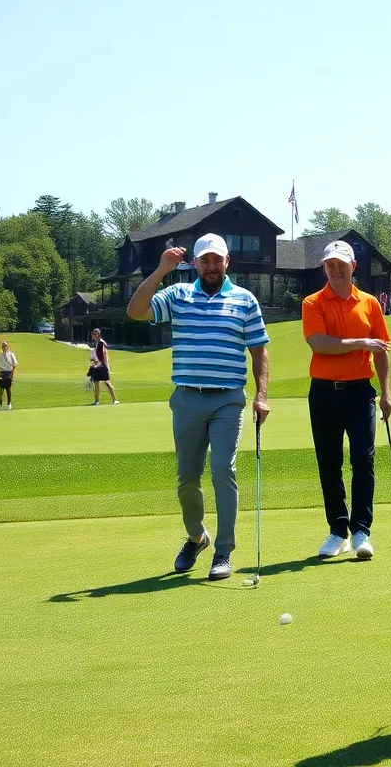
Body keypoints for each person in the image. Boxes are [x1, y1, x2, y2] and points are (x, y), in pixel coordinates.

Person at [126, 233, 270, 581]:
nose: (210, 266)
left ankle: (223, 551)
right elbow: (135, 311)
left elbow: (259, 350)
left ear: (226, 262)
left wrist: (262, 394)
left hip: (227, 399)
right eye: (204, 260)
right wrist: (161, 269)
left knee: (224, 470)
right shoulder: (178, 295)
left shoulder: (244, 300)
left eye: (216, 259)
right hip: (188, 398)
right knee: (187, 479)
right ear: (195, 263)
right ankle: (196, 537)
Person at [301, 240, 391, 559]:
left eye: (341, 264)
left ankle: (361, 531)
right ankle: (337, 530)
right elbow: (320, 344)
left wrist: (387, 392)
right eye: (330, 265)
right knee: (329, 463)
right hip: (324, 392)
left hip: (360, 393)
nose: (336, 270)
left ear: (353, 266)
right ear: (324, 268)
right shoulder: (313, 302)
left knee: (363, 461)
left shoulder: (369, 304)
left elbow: (380, 351)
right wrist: (361, 342)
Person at [88, 328, 119, 405]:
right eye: (93, 334)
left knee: (107, 383)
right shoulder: (97, 343)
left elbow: (105, 354)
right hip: (97, 366)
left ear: (98, 335)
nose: (93, 336)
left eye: (94, 334)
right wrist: (93, 365)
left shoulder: (102, 342)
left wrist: (106, 366)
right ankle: (96, 401)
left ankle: (114, 399)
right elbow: (96, 355)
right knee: (96, 383)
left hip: (102, 365)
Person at [0, 340, 18, 409]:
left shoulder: (11, 354)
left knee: (8, 388)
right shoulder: (0, 355)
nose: (4, 347)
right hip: (2, 372)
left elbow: (15, 364)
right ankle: (0, 403)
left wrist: (12, 373)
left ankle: (9, 403)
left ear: (7, 347)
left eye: (5, 346)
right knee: (1, 388)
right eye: (3, 346)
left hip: (9, 372)